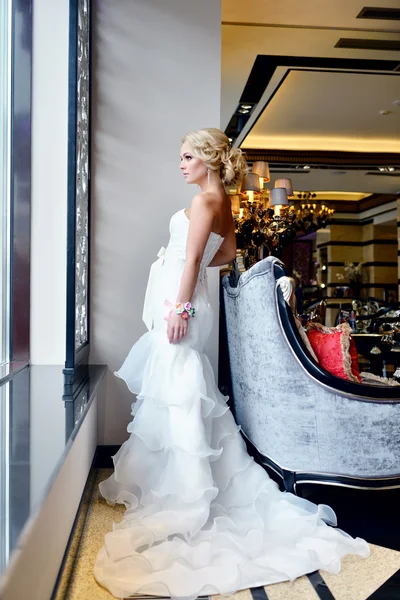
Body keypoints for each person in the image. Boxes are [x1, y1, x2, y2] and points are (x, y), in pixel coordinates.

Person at [94, 128, 369, 599]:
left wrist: (179, 307)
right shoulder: (221, 200)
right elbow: (226, 254)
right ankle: (186, 476)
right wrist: (189, 280)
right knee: (183, 384)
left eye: (186, 157)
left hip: (183, 303)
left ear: (206, 158)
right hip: (192, 298)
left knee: (179, 386)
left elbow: (197, 257)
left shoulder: (204, 203)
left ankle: (186, 488)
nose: (180, 164)